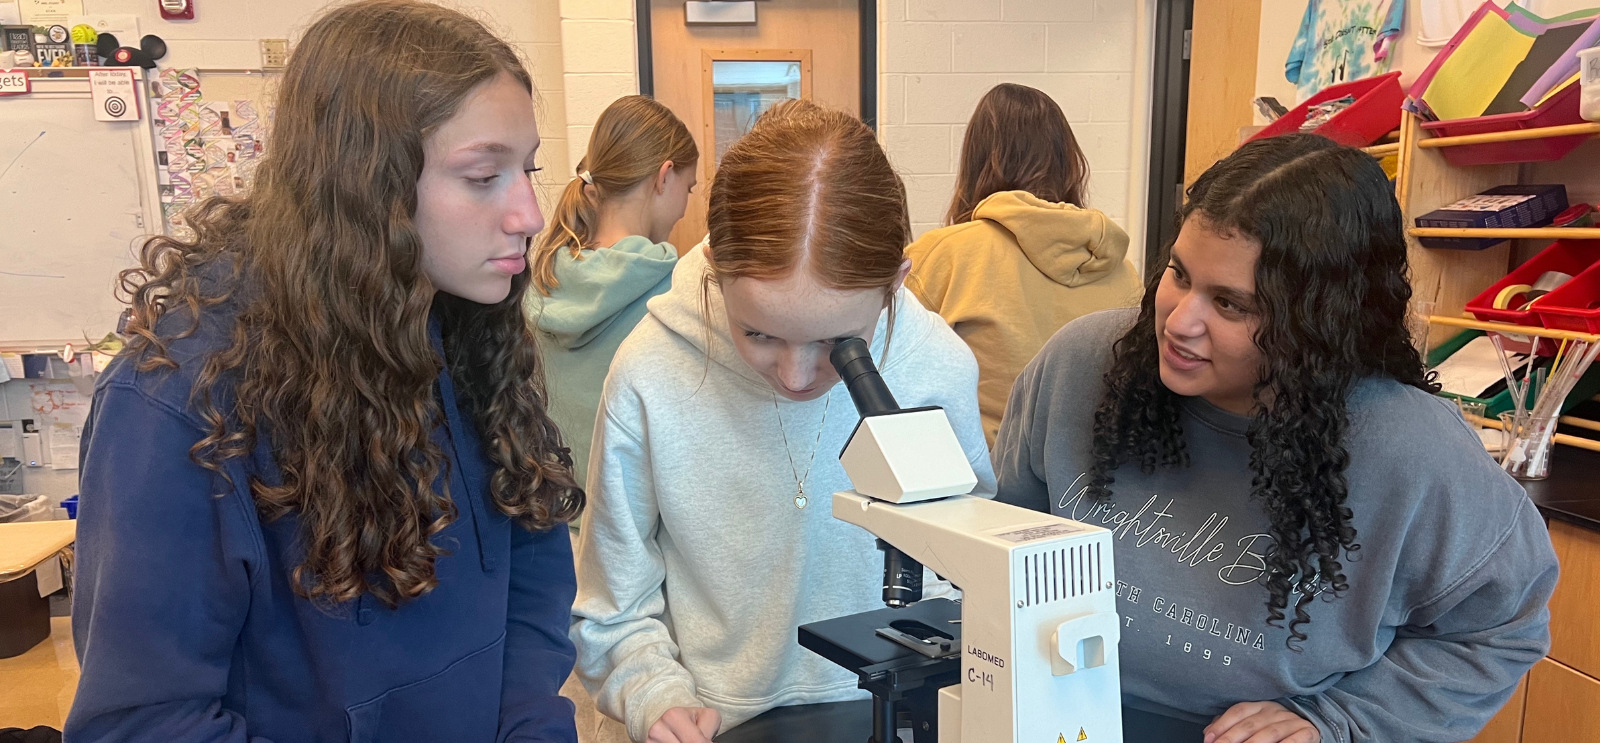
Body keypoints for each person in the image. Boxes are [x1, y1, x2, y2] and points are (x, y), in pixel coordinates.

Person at [66, 3, 584, 741]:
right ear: (366, 185)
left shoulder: (468, 318)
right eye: (482, 176)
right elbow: (144, 721)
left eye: (527, 169)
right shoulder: (177, 398)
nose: (529, 214)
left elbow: (530, 574)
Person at [994, 133, 1558, 743]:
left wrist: (1340, 719)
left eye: (1230, 305)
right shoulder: (1082, 363)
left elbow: (1501, 629)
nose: (1179, 321)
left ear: (1317, 320)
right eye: (1179, 275)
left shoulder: (1415, 453)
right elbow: (1002, 537)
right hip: (1053, 707)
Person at [569, 99, 995, 743]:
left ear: (895, 282)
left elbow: (966, 573)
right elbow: (612, 606)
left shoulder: (936, 367)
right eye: (760, 333)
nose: (796, 377)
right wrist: (652, 695)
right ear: (716, 276)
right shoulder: (650, 372)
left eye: (838, 343)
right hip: (717, 724)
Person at [907, 83, 1141, 446]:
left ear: (975, 161)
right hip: (1091, 470)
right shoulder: (1121, 269)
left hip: (979, 473)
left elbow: (888, 379)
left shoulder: (942, 256)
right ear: (1068, 163)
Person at [528, 95, 697, 490]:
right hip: (631, 518)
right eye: (688, 189)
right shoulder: (673, 291)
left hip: (553, 512)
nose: (684, 209)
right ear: (664, 176)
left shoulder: (540, 281)